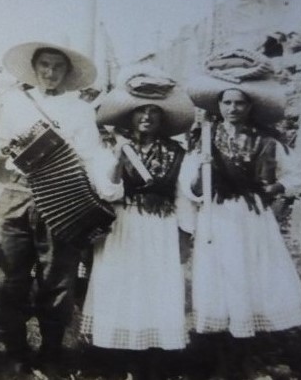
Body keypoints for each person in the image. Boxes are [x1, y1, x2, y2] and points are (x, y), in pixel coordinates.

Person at [0, 42, 120, 375]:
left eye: (57, 67)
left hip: (60, 197)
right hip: (17, 193)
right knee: (8, 277)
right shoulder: (14, 102)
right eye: (44, 65)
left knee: (57, 279)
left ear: (67, 72)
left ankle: (51, 352)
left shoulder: (79, 109)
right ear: (34, 69)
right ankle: (16, 351)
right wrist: (6, 146)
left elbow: (90, 155)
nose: (50, 72)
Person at [180, 49, 301, 379]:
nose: (233, 109)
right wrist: (202, 176)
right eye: (227, 103)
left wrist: (274, 189)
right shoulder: (204, 139)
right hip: (218, 216)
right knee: (222, 278)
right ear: (218, 106)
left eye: (240, 103)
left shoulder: (267, 141)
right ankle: (221, 356)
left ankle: (253, 351)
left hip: (252, 219)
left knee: (253, 277)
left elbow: (295, 174)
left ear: (250, 106)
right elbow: (188, 183)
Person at [80, 65, 195, 380]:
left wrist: (185, 236)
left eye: (153, 112)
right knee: (119, 287)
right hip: (123, 225)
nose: (146, 117)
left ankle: (151, 359)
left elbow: (182, 196)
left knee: (155, 289)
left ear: (162, 119)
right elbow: (108, 191)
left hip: (159, 227)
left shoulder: (176, 153)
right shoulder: (110, 149)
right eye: (140, 111)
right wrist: (120, 158)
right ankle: (115, 358)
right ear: (128, 117)